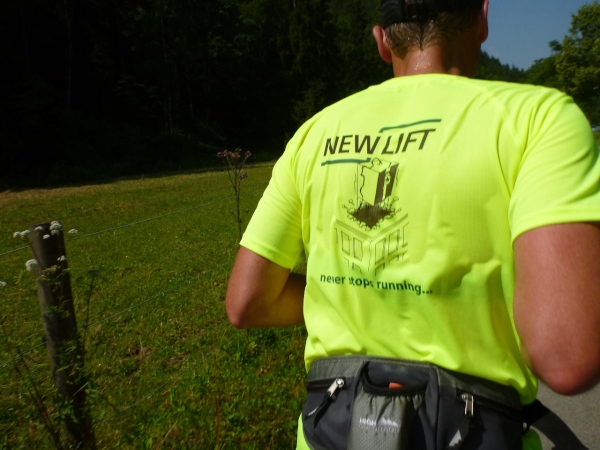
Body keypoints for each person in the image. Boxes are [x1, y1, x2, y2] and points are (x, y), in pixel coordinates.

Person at [226, 0, 600, 448]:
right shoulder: (539, 120)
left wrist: (353, 289)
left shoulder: (315, 133)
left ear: (382, 41)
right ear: (482, 18)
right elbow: (565, 358)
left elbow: (247, 301)